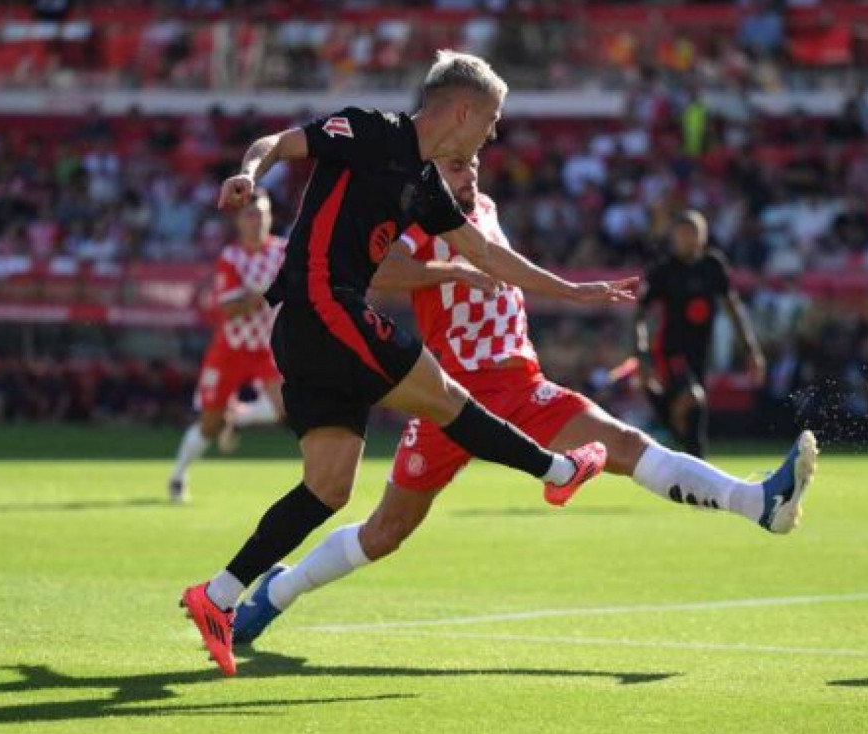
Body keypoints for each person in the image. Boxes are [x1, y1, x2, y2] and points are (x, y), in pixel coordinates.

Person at [228, 155, 818, 646]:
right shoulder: (419, 213)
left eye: (476, 163)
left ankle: (756, 502)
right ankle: (280, 590)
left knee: (626, 445)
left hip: (521, 383)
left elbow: (508, 267)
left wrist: (569, 290)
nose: (472, 172)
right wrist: (449, 273)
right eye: (458, 164)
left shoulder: (483, 210)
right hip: (448, 396)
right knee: (386, 531)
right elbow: (377, 268)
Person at [180, 51, 634, 677]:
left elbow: (488, 256)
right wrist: (249, 173)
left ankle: (218, 596)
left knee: (329, 487)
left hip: (311, 334)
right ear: (463, 109)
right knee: (445, 396)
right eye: (492, 119)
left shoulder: (425, 186)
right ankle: (557, 469)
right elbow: (275, 143)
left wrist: (574, 290)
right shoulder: (371, 130)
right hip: (321, 306)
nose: (493, 133)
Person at [168, 189, 286, 503]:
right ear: (238, 221)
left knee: (283, 408)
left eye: (261, 212)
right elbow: (231, 308)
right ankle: (178, 476)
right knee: (209, 424)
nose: (257, 219)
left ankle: (235, 418)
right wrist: (267, 292)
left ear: (270, 216)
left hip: (266, 348)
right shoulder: (230, 257)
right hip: (230, 349)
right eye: (250, 214)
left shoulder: (283, 252)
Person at [635, 210, 766, 458]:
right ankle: (669, 417)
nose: (687, 238)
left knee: (695, 422)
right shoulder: (663, 271)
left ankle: (696, 470)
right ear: (673, 236)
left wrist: (751, 350)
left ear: (703, 236)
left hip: (700, 352)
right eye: (682, 232)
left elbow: (733, 308)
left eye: (693, 232)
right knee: (693, 397)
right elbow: (640, 316)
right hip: (670, 349)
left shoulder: (712, 266)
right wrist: (641, 352)